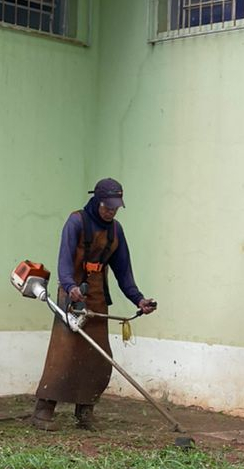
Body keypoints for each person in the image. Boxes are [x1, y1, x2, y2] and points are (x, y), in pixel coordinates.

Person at [32, 178, 156, 431]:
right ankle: (43, 412)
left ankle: (85, 412)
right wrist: (71, 287)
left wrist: (139, 299)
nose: (111, 211)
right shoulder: (76, 221)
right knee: (63, 355)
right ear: (97, 201)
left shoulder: (116, 231)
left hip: (97, 296)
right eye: (107, 206)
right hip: (72, 296)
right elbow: (64, 263)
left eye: (115, 207)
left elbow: (124, 273)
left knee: (97, 356)